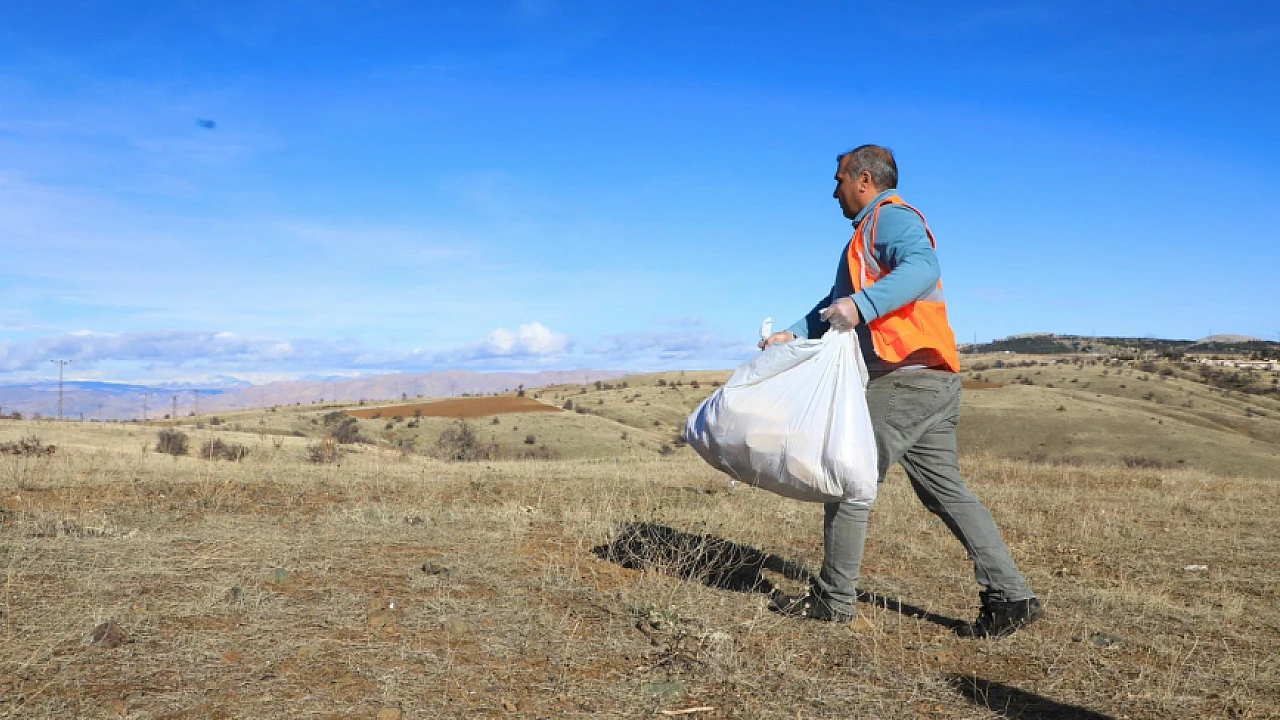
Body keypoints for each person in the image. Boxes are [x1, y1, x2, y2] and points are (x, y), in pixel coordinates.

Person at [759, 145, 1041, 638]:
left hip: (904, 379)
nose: (834, 191)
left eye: (839, 180)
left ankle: (833, 600)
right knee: (945, 492)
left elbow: (923, 267)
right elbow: (836, 303)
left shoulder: (889, 219)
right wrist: (793, 333)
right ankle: (1011, 597)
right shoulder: (866, 236)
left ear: (863, 180)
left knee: (847, 479)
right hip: (934, 379)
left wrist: (861, 307)